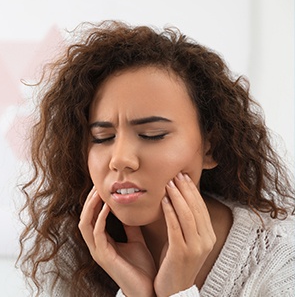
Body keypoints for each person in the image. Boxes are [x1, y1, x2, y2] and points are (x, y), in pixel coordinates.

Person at [17, 21, 295, 297]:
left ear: (211, 148)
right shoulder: (70, 254)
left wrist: (177, 291)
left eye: (152, 134)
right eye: (102, 137)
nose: (120, 159)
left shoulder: (282, 258)